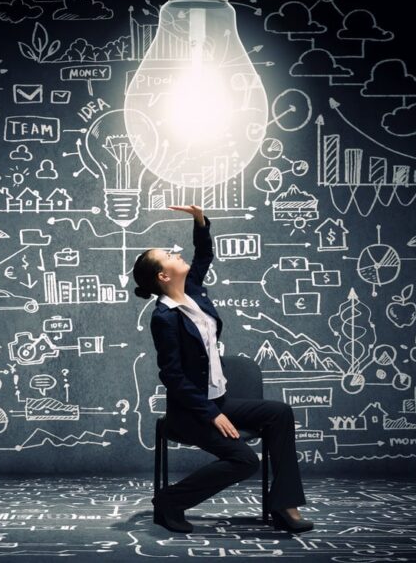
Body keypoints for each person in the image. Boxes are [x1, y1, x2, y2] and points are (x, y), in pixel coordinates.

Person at [133, 205, 313, 534]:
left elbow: (203, 254)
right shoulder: (164, 317)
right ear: (163, 276)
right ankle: (170, 501)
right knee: (245, 461)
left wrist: (199, 221)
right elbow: (172, 377)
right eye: (169, 255)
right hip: (191, 413)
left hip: (219, 401)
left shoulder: (194, 292)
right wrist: (211, 414)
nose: (177, 253)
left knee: (280, 413)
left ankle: (284, 506)